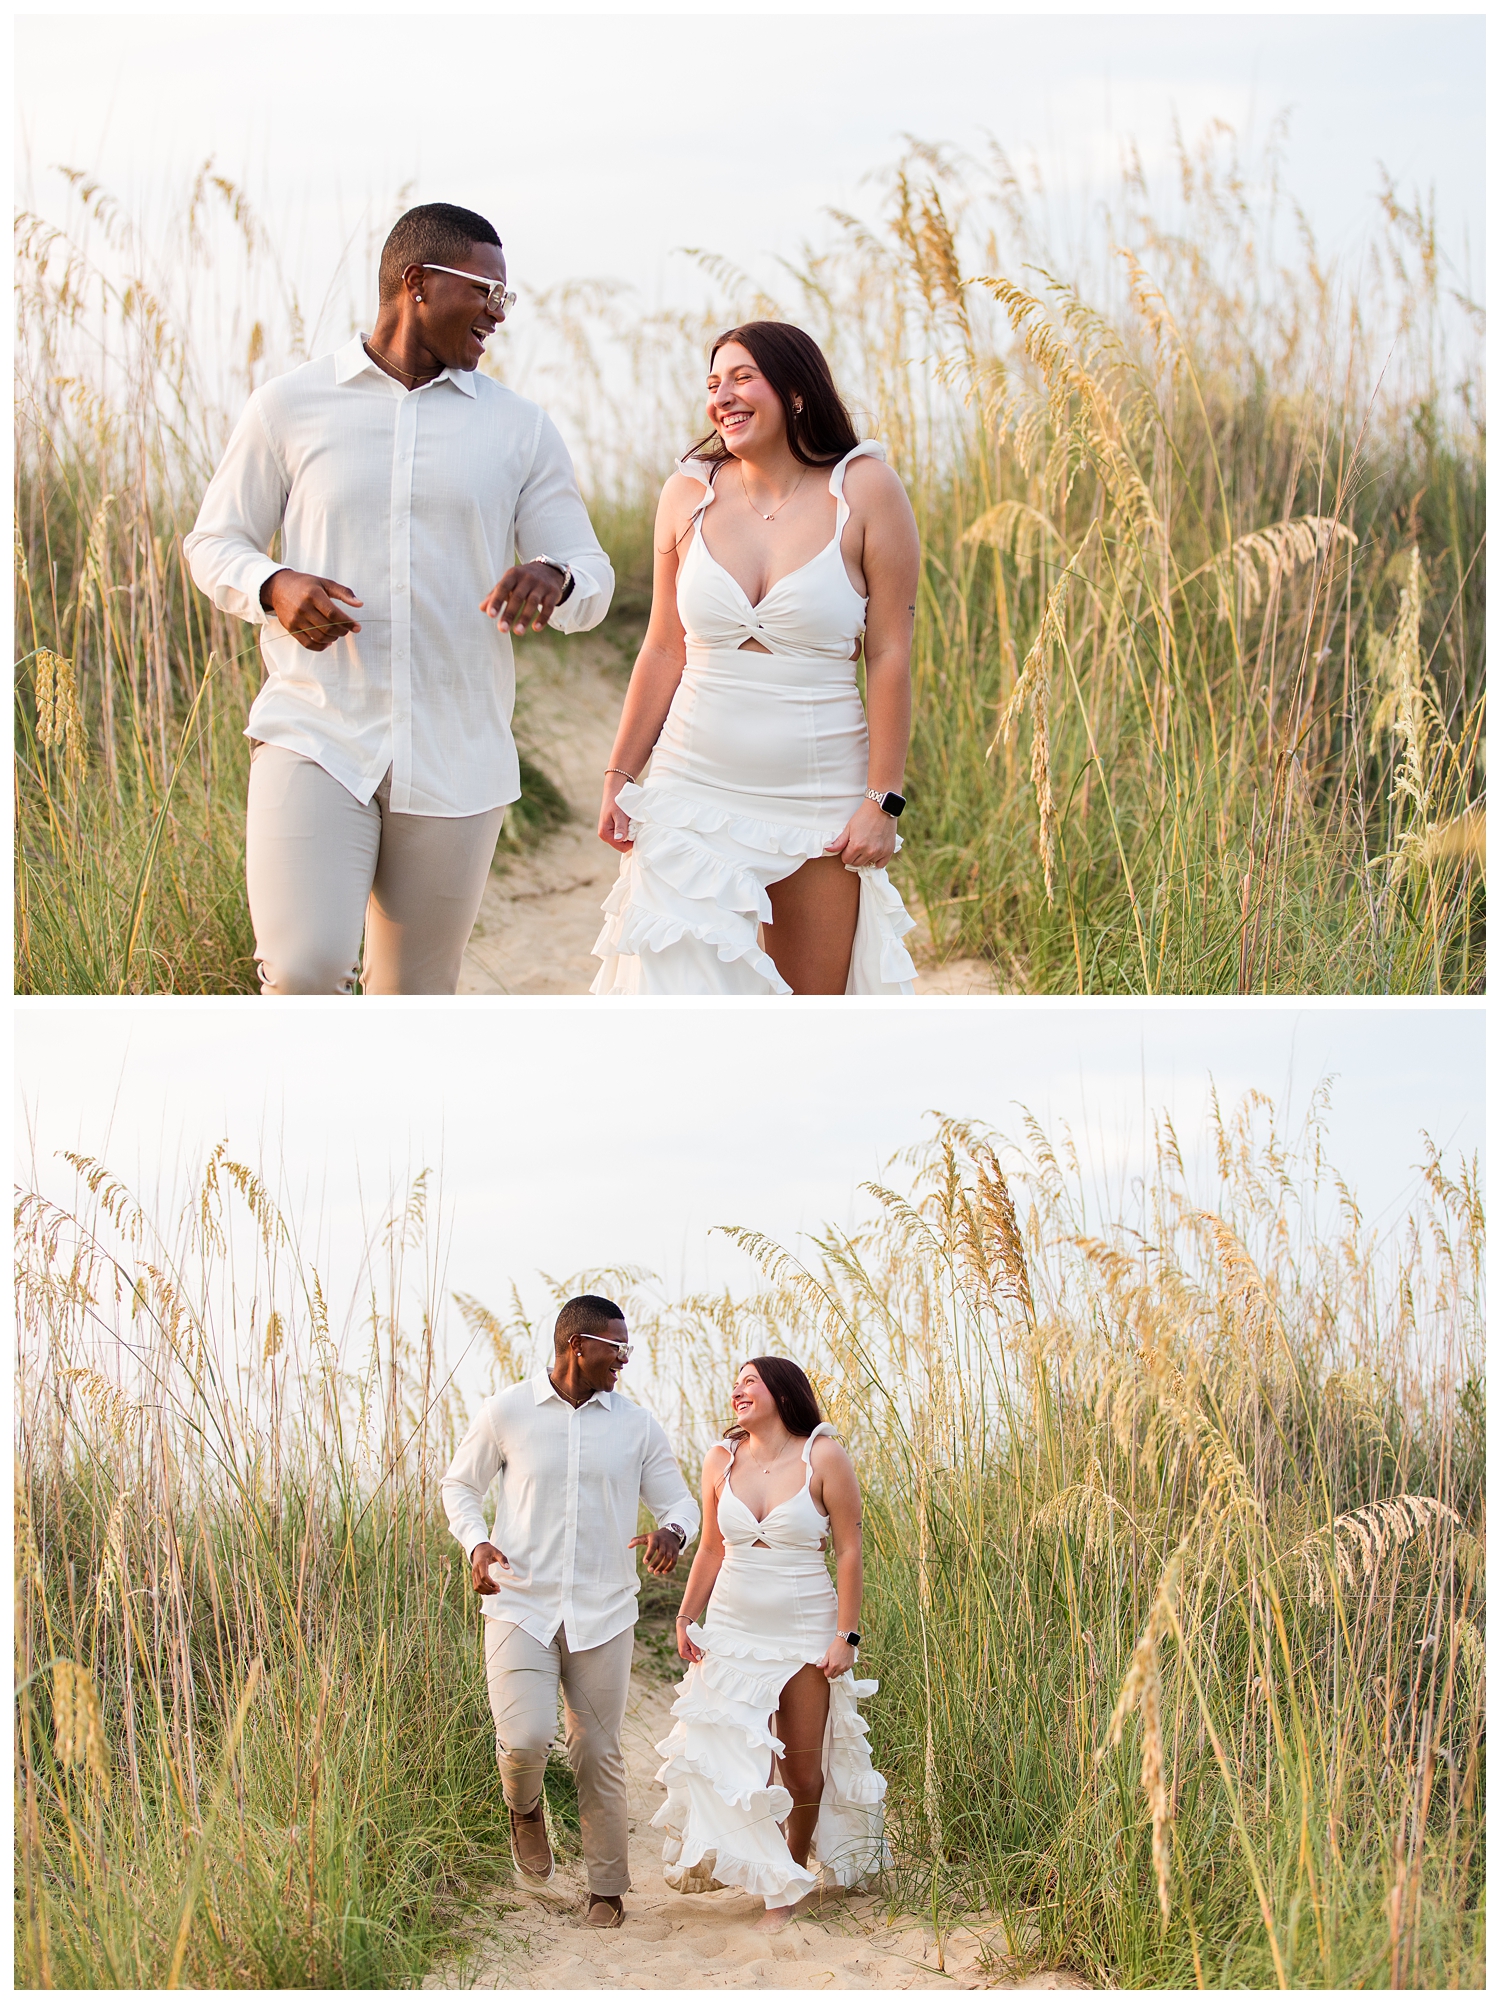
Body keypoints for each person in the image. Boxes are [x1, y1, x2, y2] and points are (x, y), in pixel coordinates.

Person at [185, 201, 613, 996]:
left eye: (505, 299)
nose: (498, 314)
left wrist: (554, 577)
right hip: (317, 731)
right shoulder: (288, 405)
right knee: (304, 969)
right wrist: (273, 585)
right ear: (416, 281)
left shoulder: (519, 429)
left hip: (459, 755)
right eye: (487, 291)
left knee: (411, 1001)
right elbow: (214, 544)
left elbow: (591, 570)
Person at [590, 321, 919, 996]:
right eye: (713, 384)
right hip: (691, 788)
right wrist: (620, 773)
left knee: (809, 1018)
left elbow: (889, 654)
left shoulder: (866, 490)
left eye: (743, 377)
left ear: (797, 392)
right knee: (676, 1005)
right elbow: (661, 646)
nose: (722, 397)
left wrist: (881, 803)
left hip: (818, 799)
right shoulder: (688, 496)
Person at [440, 1295, 699, 1930]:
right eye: (616, 1348)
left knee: (596, 1749)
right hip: (518, 1605)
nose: (625, 1360)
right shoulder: (507, 1411)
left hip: (604, 1612)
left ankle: (607, 1889)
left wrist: (671, 1532)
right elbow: (458, 1486)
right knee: (525, 1738)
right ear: (576, 1346)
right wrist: (476, 1542)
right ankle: (524, 1808)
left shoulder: (636, 1425)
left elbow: (681, 1502)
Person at [653, 1356, 887, 1930]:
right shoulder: (719, 1460)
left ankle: (793, 1861)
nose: (738, 1389)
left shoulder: (823, 1455)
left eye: (750, 1380)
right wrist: (686, 1617)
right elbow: (710, 1548)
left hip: (805, 1633)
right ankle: (774, 1888)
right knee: (742, 1765)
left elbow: (850, 1551)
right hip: (732, 1630)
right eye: (734, 1381)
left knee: (803, 1772)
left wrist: (846, 1636)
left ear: (782, 1392)